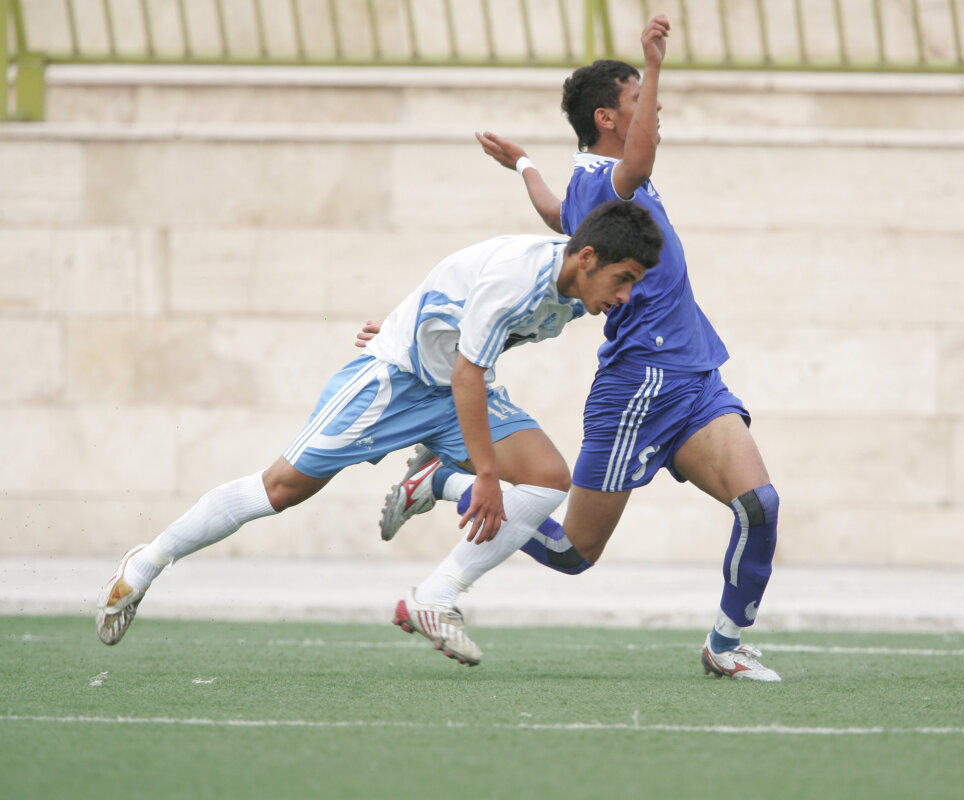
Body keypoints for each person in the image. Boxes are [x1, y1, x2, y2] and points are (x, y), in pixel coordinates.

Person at [378, 15, 782, 681]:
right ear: (607, 118)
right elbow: (639, 161)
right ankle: (443, 481)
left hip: (694, 375)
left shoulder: (591, 190)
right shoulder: (610, 177)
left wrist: (524, 164)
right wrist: (655, 63)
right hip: (639, 387)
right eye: (637, 101)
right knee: (573, 552)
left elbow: (555, 214)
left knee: (759, 505)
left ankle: (726, 644)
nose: (652, 110)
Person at [95, 200, 664, 666]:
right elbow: (469, 363)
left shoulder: (574, 295)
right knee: (282, 489)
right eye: (623, 280)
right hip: (395, 382)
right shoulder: (520, 280)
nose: (624, 296)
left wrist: (409, 318)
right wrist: (486, 475)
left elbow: (460, 302)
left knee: (547, 477)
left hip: (455, 388)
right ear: (586, 257)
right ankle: (145, 563)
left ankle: (435, 597)